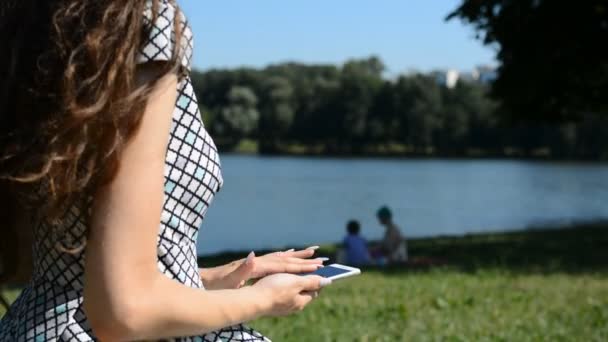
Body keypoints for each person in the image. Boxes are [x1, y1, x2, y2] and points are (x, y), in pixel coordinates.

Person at [0, 1, 330, 341]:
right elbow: (124, 311)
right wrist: (263, 298)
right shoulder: (143, 22)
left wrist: (205, 278)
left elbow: (69, 262)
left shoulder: (35, 21)